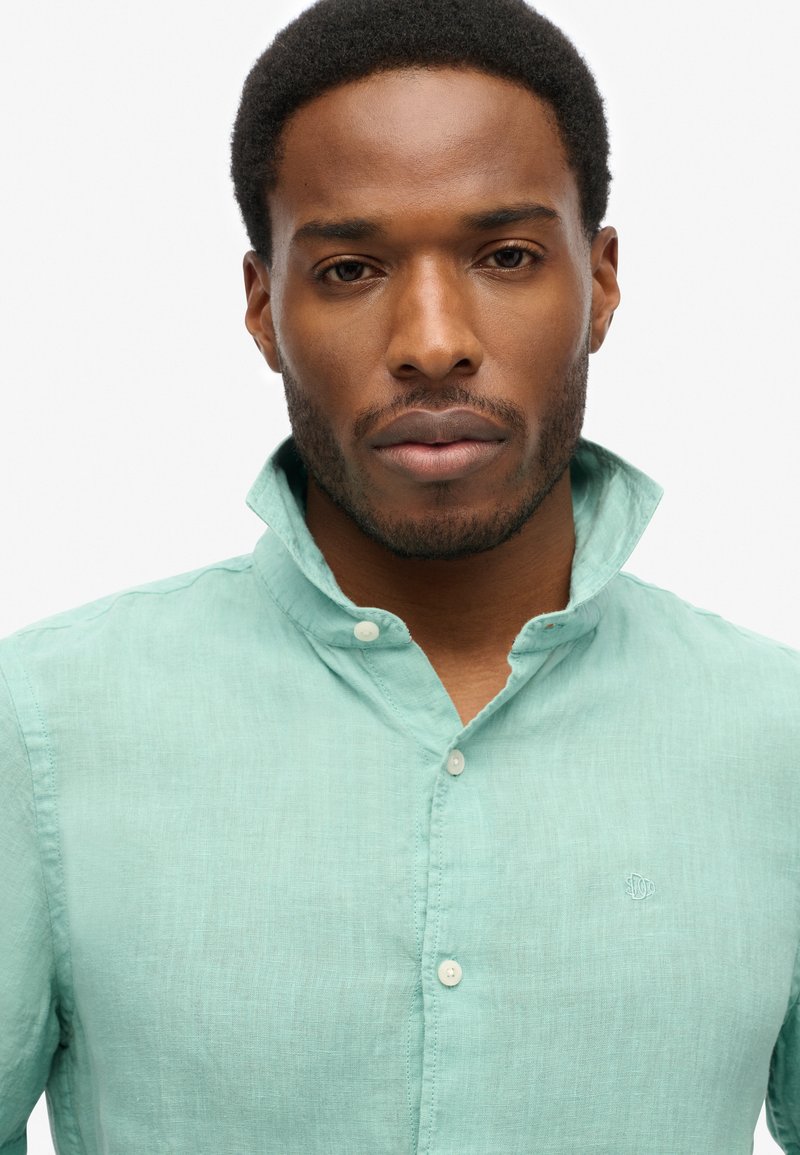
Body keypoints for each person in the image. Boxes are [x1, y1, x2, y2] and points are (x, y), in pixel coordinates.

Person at [1, 0, 798, 1151]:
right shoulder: (41, 729)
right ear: (263, 308)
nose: (430, 342)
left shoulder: (777, 741)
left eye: (506, 256)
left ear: (601, 281)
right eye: (350, 268)